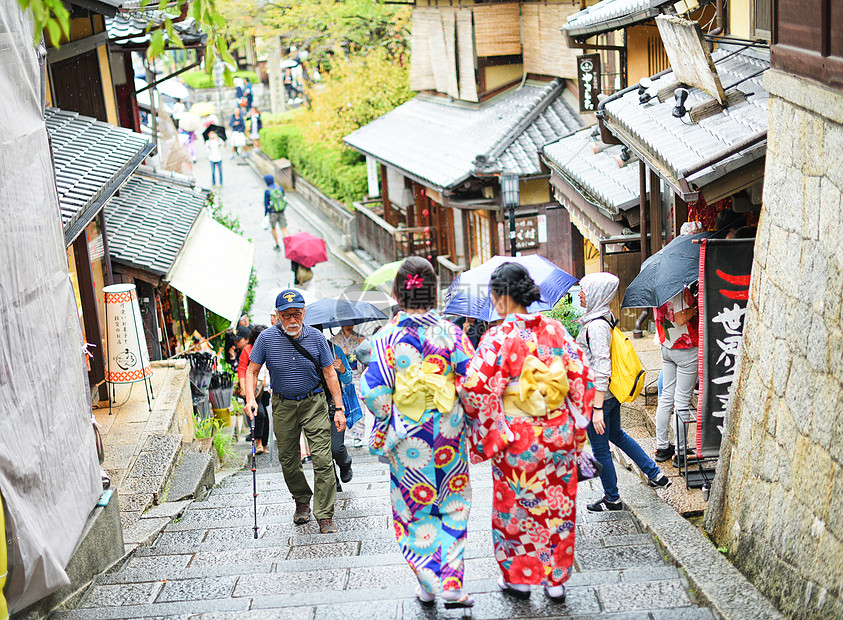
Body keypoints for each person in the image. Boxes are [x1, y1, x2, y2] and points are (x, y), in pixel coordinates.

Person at [460, 262, 594, 604]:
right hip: (558, 434)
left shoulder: (498, 337)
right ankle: (556, 580)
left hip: (517, 440)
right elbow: (581, 378)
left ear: (501, 299)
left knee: (515, 508)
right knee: (558, 506)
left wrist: (491, 430)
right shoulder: (555, 330)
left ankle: (520, 579)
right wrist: (577, 429)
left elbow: (475, 388)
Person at [361, 257, 476, 609]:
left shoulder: (386, 339)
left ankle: (428, 582)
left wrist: (388, 425)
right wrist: (466, 417)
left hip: (408, 441)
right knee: (454, 506)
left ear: (396, 294)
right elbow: (473, 384)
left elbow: (376, 394)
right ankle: (451, 583)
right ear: (435, 293)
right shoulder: (452, 334)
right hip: (449, 435)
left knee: (414, 512)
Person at [245, 290, 348, 534]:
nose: (292, 320)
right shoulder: (266, 339)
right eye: (286, 315)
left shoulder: (316, 338)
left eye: (297, 314)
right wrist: (250, 398)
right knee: (289, 460)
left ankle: (324, 514)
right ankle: (302, 500)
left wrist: (339, 409)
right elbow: (252, 370)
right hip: (283, 405)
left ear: (304, 313)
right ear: (277, 315)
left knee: (323, 458)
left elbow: (330, 373)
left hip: (313, 402)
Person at [576, 273, 671, 513]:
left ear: (595, 294)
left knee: (600, 449)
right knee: (616, 435)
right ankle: (654, 473)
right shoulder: (602, 317)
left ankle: (612, 499)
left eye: (584, 290)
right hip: (610, 394)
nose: (580, 294)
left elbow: (602, 367)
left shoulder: (596, 326)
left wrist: (596, 409)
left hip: (599, 397)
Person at [653, 285, 699, 463]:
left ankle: (662, 447)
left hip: (667, 346)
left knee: (666, 397)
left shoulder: (657, 288)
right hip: (685, 347)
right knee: (682, 400)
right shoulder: (677, 289)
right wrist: (694, 309)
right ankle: (680, 453)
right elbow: (680, 318)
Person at [327, 337, 359, 489]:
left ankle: (345, 463)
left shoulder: (335, 350)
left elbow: (348, 378)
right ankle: (333, 482)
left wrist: (341, 369)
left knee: (335, 447)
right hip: (313, 406)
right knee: (321, 451)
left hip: (335, 406)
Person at [331, 325, 366, 448]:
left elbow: (367, 357)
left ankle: (358, 435)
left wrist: (363, 347)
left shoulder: (360, 338)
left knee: (359, 404)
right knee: (344, 404)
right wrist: (343, 353)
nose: (349, 326)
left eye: (351, 323)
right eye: (346, 323)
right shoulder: (335, 340)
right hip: (341, 376)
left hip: (357, 374)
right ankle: (344, 435)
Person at [239, 326, 270, 454]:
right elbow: (242, 369)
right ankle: (258, 442)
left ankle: (264, 445)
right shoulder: (247, 350)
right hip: (253, 388)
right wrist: (243, 387)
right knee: (260, 413)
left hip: (266, 388)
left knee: (266, 417)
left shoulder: (269, 348)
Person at [264, 174, 288, 249]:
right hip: (281, 211)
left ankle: (277, 244)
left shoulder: (267, 191)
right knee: (283, 228)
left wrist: (266, 213)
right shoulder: (280, 188)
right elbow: (284, 197)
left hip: (272, 212)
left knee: (273, 228)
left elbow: (266, 203)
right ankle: (288, 243)